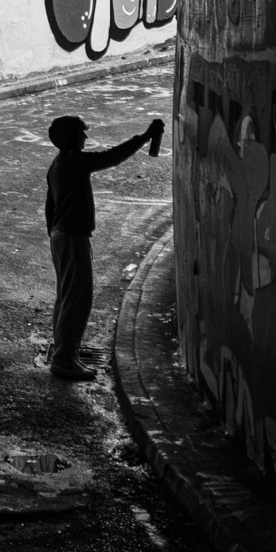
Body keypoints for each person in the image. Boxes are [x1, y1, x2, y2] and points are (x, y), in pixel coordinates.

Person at [45, 113, 163, 382]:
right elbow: (112, 157)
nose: (85, 137)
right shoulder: (75, 161)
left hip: (60, 237)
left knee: (66, 298)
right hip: (72, 237)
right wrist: (145, 137)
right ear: (71, 138)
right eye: (81, 133)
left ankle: (64, 354)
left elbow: (49, 205)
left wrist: (54, 233)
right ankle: (65, 360)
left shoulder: (57, 164)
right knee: (77, 300)